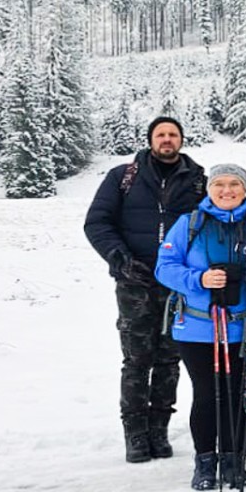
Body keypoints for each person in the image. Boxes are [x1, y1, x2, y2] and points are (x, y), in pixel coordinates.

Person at [154, 163, 246, 491]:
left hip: (245, 327)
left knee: (236, 395)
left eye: (234, 185)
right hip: (198, 327)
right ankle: (204, 461)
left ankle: (233, 459)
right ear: (209, 189)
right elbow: (164, 268)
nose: (227, 191)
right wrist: (198, 279)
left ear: (244, 189)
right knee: (205, 395)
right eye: (220, 185)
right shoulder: (189, 225)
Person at [83, 115, 206, 463]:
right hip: (134, 281)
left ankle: (159, 430)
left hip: (178, 285)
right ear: (151, 139)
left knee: (170, 358)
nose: (167, 140)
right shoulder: (123, 177)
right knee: (137, 359)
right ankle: (135, 434)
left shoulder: (197, 181)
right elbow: (97, 222)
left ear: (181, 140)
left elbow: (208, 224)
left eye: (173, 135)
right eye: (161, 134)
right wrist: (119, 259)